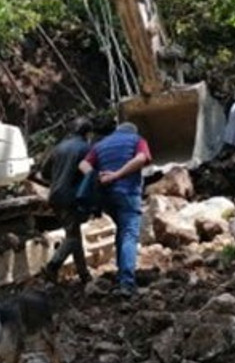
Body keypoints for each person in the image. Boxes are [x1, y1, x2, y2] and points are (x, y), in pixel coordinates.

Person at [78, 121, 151, 298]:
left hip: (106, 196)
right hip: (127, 192)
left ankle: (121, 275)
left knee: (122, 230)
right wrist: (117, 175)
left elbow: (83, 165)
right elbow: (142, 159)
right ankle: (127, 283)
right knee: (129, 233)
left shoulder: (100, 145)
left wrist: (97, 176)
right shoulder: (137, 140)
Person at [38, 117, 94, 285]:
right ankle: (53, 266)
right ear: (87, 133)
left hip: (55, 196)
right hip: (72, 198)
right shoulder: (85, 148)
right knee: (72, 238)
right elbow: (89, 173)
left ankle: (84, 274)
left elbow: (45, 173)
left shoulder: (57, 149)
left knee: (74, 234)